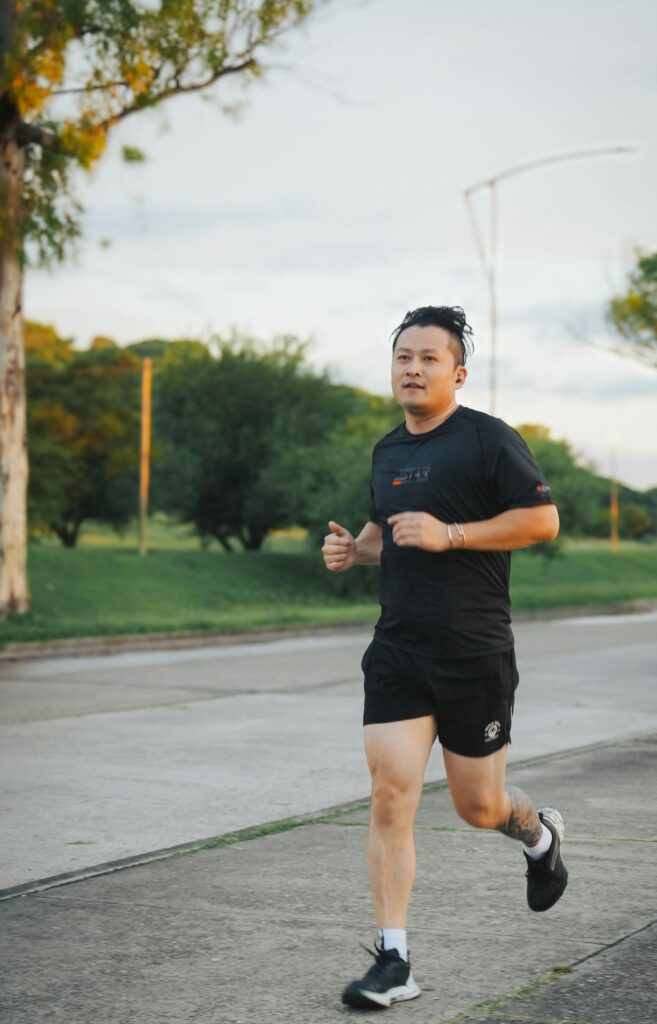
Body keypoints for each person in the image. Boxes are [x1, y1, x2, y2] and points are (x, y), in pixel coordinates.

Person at [321, 305, 568, 1011]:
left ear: (457, 373)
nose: (412, 368)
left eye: (429, 358)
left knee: (477, 806)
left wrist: (452, 534)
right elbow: (386, 534)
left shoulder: (490, 441)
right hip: (398, 650)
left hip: (473, 653)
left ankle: (538, 835)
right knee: (389, 794)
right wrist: (353, 550)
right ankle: (392, 959)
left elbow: (542, 521)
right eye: (403, 356)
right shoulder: (387, 451)